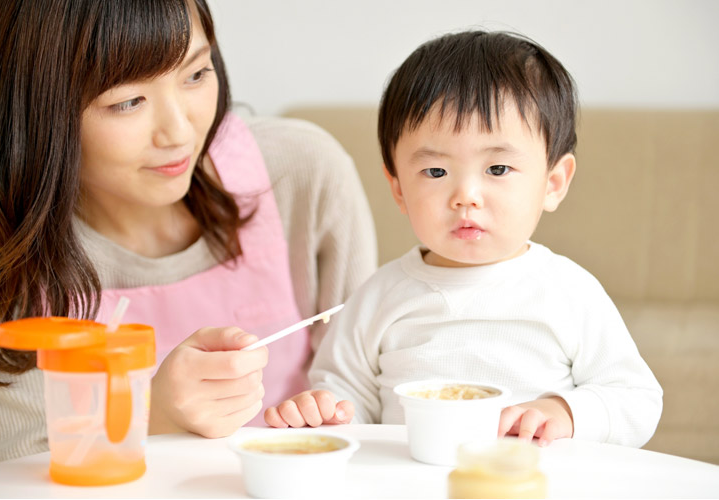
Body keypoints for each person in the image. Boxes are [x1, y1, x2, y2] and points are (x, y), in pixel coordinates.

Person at [0, 0, 376, 465]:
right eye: (127, 101)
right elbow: (20, 473)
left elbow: (366, 379)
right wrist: (155, 414)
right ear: (32, 112)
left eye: (196, 75)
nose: (179, 131)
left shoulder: (301, 172)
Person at [265, 30, 663, 448]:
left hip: (531, 485)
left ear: (553, 183)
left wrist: (563, 412)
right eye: (436, 172)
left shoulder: (569, 292)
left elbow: (636, 400)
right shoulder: (378, 296)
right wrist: (324, 414)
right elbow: (347, 400)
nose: (465, 197)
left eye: (497, 169)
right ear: (398, 187)